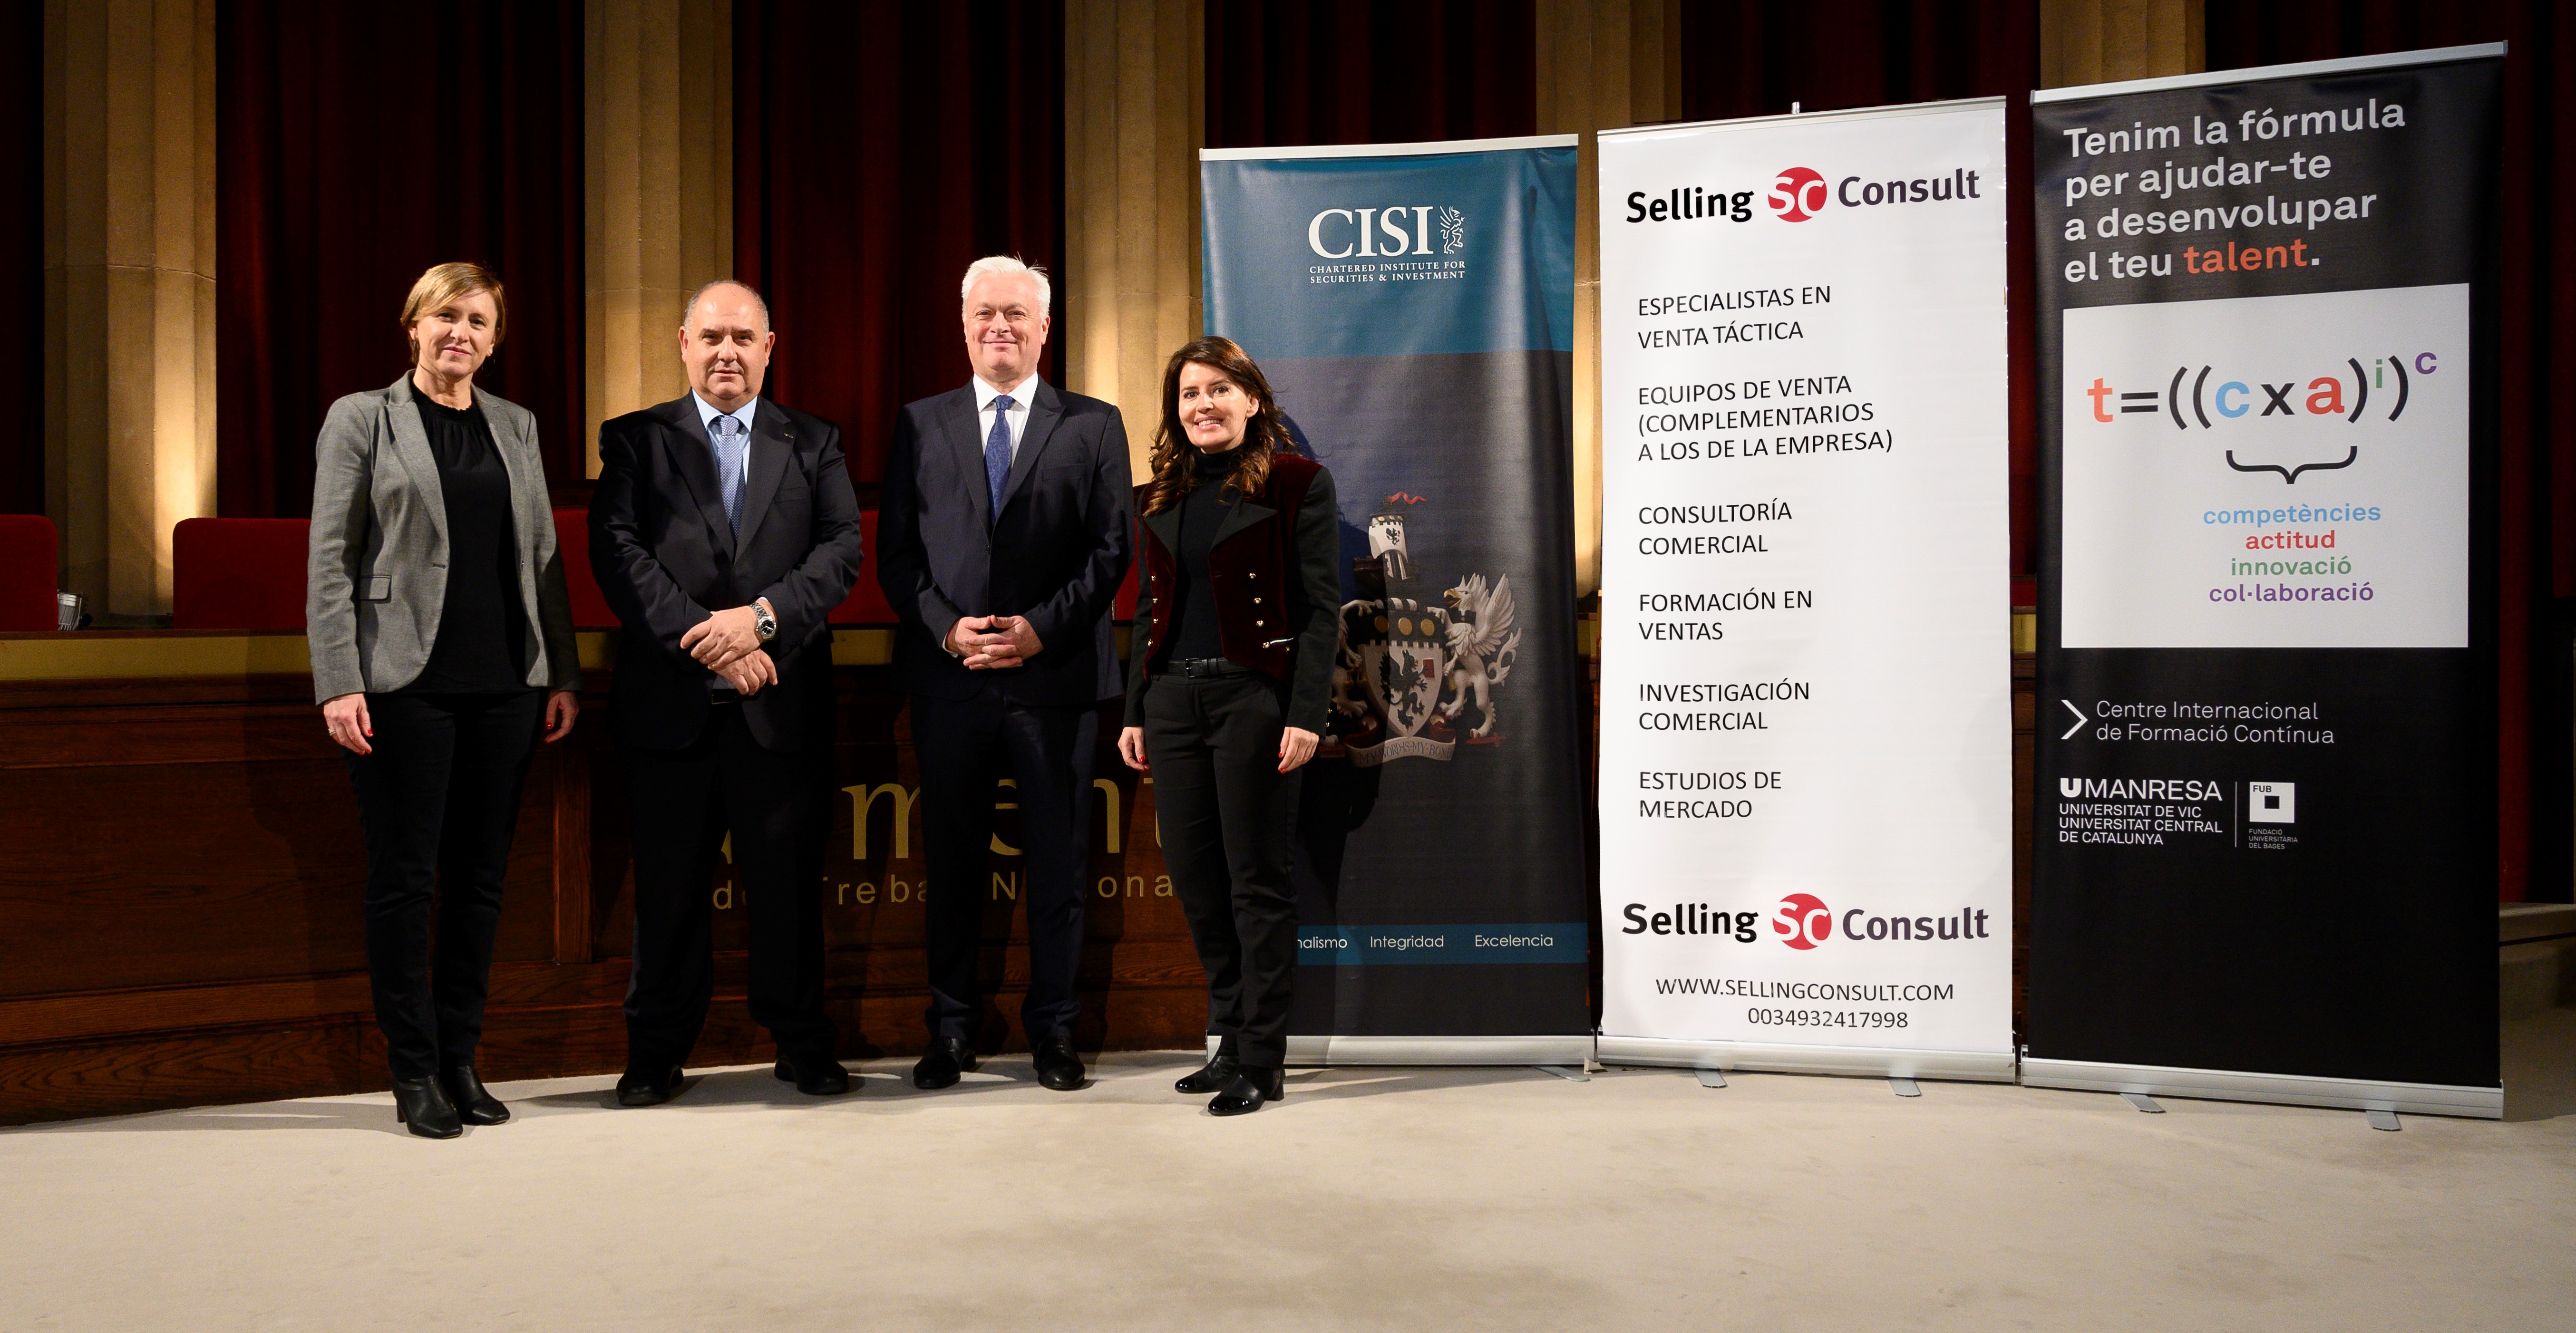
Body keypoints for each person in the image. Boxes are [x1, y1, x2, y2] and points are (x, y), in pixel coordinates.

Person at [307, 261, 581, 1140]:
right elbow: (330, 558)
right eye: (445, 316)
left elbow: (543, 555)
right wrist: (338, 679)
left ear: (494, 341)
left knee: (480, 882)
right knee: (406, 880)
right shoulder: (362, 417)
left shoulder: (516, 425)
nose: (459, 332)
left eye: (477, 321)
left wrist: (561, 671)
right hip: (402, 685)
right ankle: (414, 1069)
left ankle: (462, 1059)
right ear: (414, 325)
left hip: (505, 685)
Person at [589, 280, 865, 1107]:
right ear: (684, 344)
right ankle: (655, 1052)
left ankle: (801, 1043)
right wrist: (709, 637)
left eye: (743, 338)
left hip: (780, 708)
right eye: (711, 336)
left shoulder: (813, 441)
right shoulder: (635, 440)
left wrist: (761, 622)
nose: (726, 352)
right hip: (669, 709)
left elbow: (841, 549)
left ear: (769, 349)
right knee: (668, 892)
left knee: (788, 890)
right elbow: (618, 552)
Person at [878, 256, 1132, 1092]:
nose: (1000, 326)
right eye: (985, 312)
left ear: (1044, 328)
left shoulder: (1094, 425)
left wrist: (1037, 632)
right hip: (949, 681)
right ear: (962, 326)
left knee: (1058, 870)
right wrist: (948, 630)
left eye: (1017, 313)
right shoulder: (918, 424)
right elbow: (897, 555)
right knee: (950, 866)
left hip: (1054, 683)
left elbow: (1110, 552)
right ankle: (951, 1030)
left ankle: (1054, 1033)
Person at [1116, 338, 1340, 1116]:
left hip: (1253, 702)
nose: (1202, 405)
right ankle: (1230, 1040)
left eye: (1217, 389)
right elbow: (1148, 612)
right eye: (1188, 394)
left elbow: (1319, 613)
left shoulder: (1296, 484)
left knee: (1256, 884)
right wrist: (1135, 710)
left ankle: (1262, 1058)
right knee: (1198, 882)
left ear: (1251, 399)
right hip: (1172, 704)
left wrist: (1304, 716)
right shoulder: (1157, 496)